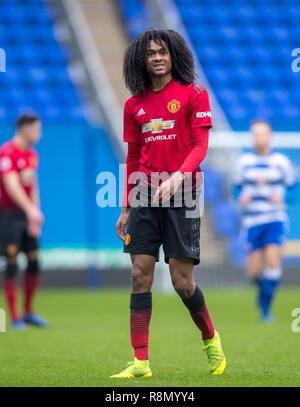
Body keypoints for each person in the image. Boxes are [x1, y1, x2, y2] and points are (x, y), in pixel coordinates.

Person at [111, 29, 226, 378]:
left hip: (185, 193)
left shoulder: (194, 94)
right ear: (141, 61)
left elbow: (200, 147)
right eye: (151, 54)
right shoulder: (135, 105)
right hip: (145, 193)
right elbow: (132, 157)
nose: (158, 57)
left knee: (181, 281)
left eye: (163, 51)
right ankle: (140, 362)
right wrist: (126, 206)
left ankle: (210, 338)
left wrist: (177, 176)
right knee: (139, 274)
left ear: (174, 54)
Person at [232, 119, 296, 322]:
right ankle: (263, 294)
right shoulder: (243, 163)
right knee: (254, 271)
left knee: (273, 261)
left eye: (262, 134)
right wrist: (240, 196)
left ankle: (266, 311)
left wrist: (284, 197)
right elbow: (235, 188)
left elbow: (294, 189)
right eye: (255, 134)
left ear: (270, 136)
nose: (259, 138)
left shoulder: (281, 162)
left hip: (274, 218)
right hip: (252, 221)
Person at [0, 113, 48, 329]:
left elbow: (33, 186)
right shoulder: (7, 152)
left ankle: (29, 311)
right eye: (37, 129)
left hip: (27, 216)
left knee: (34, 260)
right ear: (25, 129)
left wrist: (35, 214)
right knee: (12, 262)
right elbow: (12, 186)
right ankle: (14, 316)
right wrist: (30, 210)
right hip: (9, 216)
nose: (39, 133)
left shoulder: (32, 154)